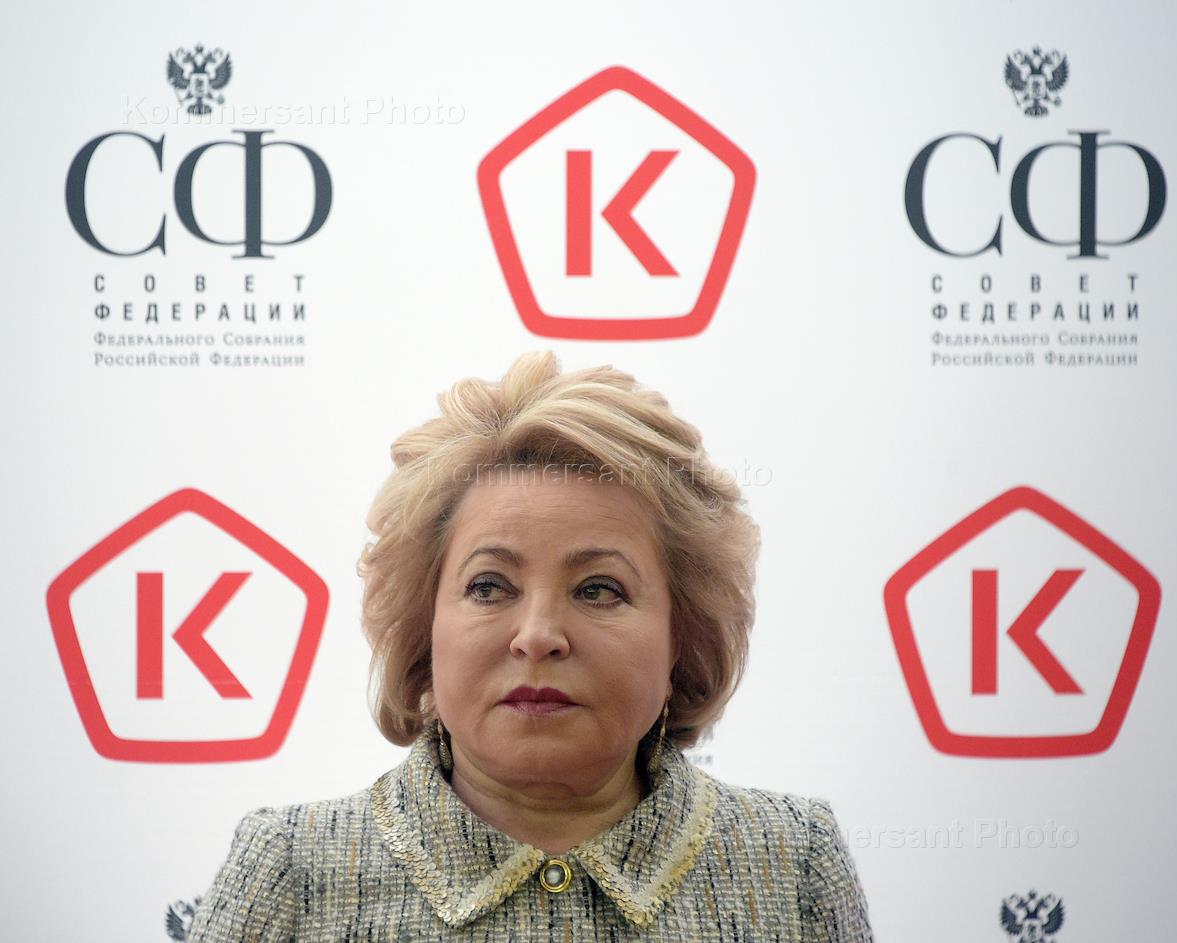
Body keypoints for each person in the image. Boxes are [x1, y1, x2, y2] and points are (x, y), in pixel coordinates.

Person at [186, 350, 873, 941]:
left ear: (681, 637)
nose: (538, 635)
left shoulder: (793, 864)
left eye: (599, 589)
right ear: (424, 628)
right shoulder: (292, 869)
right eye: (489, 586)